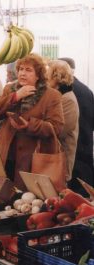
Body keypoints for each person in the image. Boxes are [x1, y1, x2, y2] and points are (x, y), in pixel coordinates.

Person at [0, 53, 64, 190]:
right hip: (6, 155)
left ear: (38, 75)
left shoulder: (51, 96)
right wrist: (16, 96)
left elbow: (56, 128)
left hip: (32, 159)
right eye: (21, 69)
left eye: (28, 70)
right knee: (4, 196)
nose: (22, 73)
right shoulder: (10, 89)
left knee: (26, 199)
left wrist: (29, 125)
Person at [59, 57, 94, 194]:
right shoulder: (87, 90)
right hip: (86, 149)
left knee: (72, 197)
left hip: (71, 149)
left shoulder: (65, 91)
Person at [47, 59, 79, 182]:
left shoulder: (67, 99)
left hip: (61, 157)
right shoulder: (60, 96)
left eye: (48, 75)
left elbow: (61, 130)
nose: (46, 78)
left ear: (57, 77)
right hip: (54, 156)